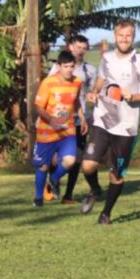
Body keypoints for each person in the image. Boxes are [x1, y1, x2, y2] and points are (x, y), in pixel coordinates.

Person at [79, 19, 140, 225]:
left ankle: (106, 213)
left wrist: (134, 97)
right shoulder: (106, 58)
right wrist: (94, 92)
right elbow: (101, 79)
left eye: (128, 36)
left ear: (133, 37)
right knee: (88, 165)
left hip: (126, 127)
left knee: (116, 174)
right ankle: (95, 190)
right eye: (121, 35)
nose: (124, 39)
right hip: (102, 120)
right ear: (115, 36)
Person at [44, 35, 96, 203]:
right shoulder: (58, 68)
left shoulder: (90, 70)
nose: (80, 51)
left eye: (84, 48)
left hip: (80, 120)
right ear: (71, 47)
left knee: (77, 158)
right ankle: (54, 180)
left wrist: (92, 97)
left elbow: (95, 91)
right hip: (61, 118)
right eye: (78, 47)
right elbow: (48, 87)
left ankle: (68, 196)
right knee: (56, 157)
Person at [32, 51, 87, 207]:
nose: (69, 70)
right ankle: (38, 198)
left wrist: (82, 117)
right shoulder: (48, 83)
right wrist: (51, 120)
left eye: (71, 66)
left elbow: (76, 102)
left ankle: (54, 179)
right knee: (42, 166)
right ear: (58, 66)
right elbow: (39, 107)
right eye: (66, 66)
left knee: (70, 161)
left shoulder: (77, 82)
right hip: (47, 132)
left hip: (67, 131)